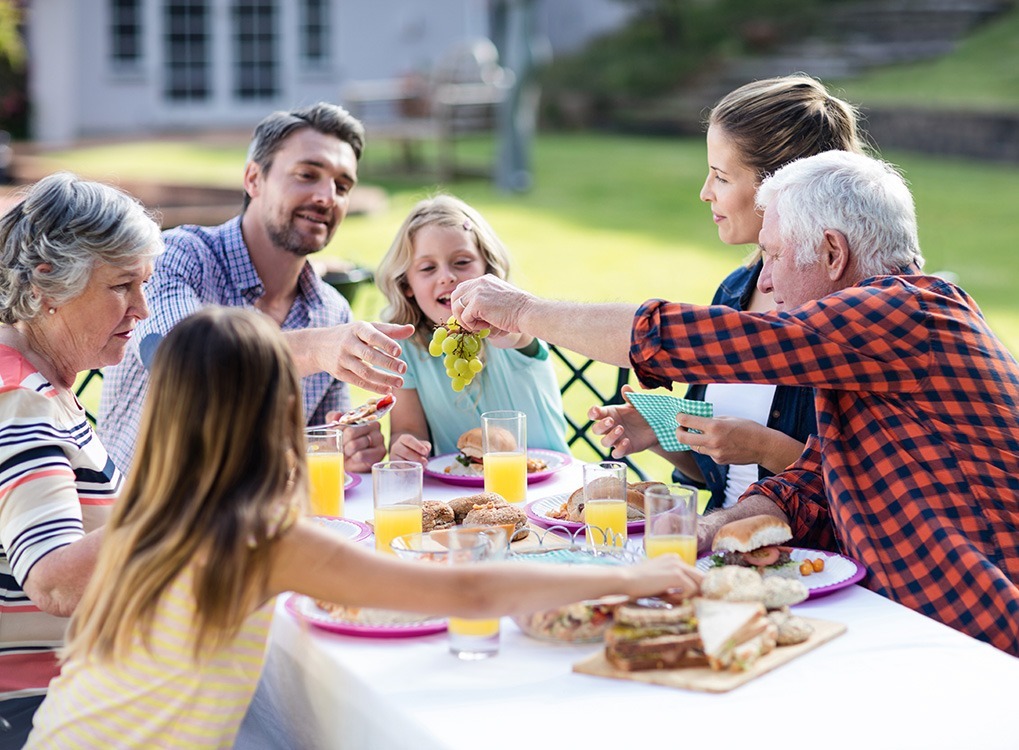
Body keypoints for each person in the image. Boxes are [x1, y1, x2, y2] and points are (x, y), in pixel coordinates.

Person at [25, 306, 700, 748]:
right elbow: (465, 594)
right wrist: (630, 573)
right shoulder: (256, 538)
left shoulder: (162, 511)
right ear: (277, 406)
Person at [450, 150, 1019, 656]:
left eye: (771, 256)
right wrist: (703, 529)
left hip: (978, 644)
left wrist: (524, 312)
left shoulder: (902, 314)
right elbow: (809, 483)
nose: (764, 280)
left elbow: (688, 339)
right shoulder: (869, 346)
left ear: (831, 252)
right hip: (912, 632)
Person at [589, 75, 869, 512]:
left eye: (720, 176)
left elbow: (862, 488)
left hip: (816, 562)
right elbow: (721, 471)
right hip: (725, 546)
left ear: (780, 187)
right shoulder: (736, 290)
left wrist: (764, 447)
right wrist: (661, 433)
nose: (704, 193)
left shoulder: (847, 314)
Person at [97, 102, 414, 475]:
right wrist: (314, 349)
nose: (327, 197)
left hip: (254, 520)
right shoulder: (180, 257)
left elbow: (314, 453)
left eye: (342, 185)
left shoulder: (330, 310)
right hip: (144, 518)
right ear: (253, 179)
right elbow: (175, 361)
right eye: (307, 174)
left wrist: (346, 450)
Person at [0, 172, 162, 747]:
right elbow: (55, 581)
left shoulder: (39, 382)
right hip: (40, 714)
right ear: (48, 284)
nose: (142, 308)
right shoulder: (20, 400)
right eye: (122, 285)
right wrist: (191, 502)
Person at [376, 194, 568, 463]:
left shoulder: (512, 325)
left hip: (547, 482)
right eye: (428, 267)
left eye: (462, 262)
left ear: (488, 270)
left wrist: (490, 314)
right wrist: (404, 446)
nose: (447, 276)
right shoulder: (406, 349)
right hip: (461, 490)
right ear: (407, 286)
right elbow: (408, 431)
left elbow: (517, 334)